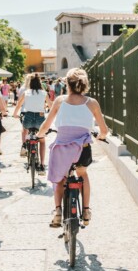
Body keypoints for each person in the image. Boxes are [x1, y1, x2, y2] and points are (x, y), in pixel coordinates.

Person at [36, 68, 108, 227]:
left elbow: (46, 124)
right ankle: (87, 210)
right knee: (83, 174)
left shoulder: (60, 101)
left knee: (60, 177)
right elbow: (104, 131)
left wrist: (40, 135)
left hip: (62, 149)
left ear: (66, 84)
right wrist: (100, 137)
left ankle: (58, 211)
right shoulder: (92, 103)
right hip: (82, 149)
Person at [13, 73, 52, 175]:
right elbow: (51, 106)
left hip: (28, 117)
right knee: (42, 140)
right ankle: (42, 165)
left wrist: (14, 114)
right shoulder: (44, 93)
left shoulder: (26, 93)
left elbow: (18, 105)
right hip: (40, 118)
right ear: (40, 82)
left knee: (25, 129)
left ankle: (25, 145)